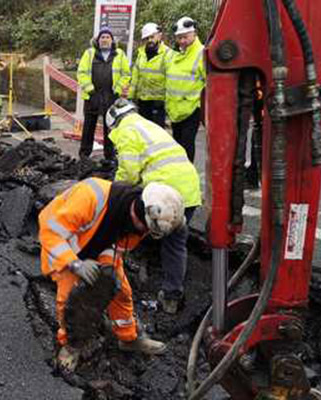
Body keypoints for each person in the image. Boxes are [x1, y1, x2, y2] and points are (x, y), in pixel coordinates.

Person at [39, 178, 185, 371]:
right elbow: (50, 231)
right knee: (70, 300)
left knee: (120, 291)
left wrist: (106, 270)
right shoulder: (90, 196)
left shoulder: (139, 222)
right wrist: (75, 264)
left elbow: (117, 247)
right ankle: (71, 345)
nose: (145, 233)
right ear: (142, 212)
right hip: (64, 251)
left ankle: (128, 338)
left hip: (97, 251)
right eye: (146, 229)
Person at [106, 98, 202, 314]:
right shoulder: (150, 126)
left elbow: (128, 175)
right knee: (175, 242)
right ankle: (171, 296)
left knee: (128, 223)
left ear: (114, 122)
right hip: (189, 191)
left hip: (164, 194)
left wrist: (111, 192)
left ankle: (120, 279)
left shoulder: (126, 131)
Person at [76, 27, 130, 162]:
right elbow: (81, 73)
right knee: (89, 126)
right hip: (92, 95)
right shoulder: (89, 54)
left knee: (110, 127)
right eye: (102, 37)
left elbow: (126, 74)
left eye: (107, 37)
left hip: (111, 95)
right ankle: (84, 154)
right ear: (97, 40)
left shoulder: (120, 54)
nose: (105, 40)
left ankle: (110, 155)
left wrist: (117, 90)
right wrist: (90, 89)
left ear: (112, 41)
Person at [164, 17, 206, 164]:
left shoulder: (201, 54)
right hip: (175, 110)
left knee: (187, 146)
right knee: (177, 147)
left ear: (194, 34)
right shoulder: (174, 54)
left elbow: (209, 82)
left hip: (191, 109)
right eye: (179, 38)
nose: (182, 41)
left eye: (185, 37)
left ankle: (187, 177)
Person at [129, 23, 171, 128]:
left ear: (159, 36)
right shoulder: (141, 54)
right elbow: (135, 77)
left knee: (157, 132)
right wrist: (130, 97)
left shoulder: (167, 53)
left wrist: (168, 101)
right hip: (143, 101)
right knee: (144, 131)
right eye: (146, 38)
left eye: (152, 37)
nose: (149, 40)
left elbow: (171, 79)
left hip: (158, 101)